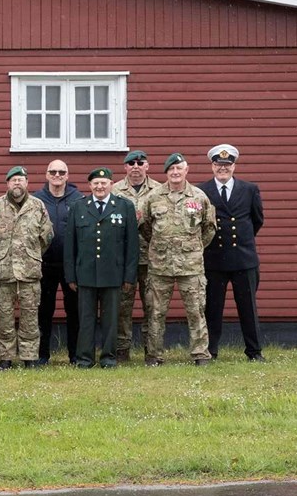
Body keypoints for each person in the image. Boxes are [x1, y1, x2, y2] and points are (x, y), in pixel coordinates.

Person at [138, 154, 217, 366]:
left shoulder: (199, 197)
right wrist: (161, 245)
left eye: (179, 168)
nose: (175, 172)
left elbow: (209, 229)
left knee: (196, 311)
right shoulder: (154, 197)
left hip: (190, 266)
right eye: (171, 169)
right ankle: (154, 355)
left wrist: (191, 248)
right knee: (155, 312)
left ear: (186, 170)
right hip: (160, 266)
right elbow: (145, 227)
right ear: (166, 172)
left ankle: (200, 354)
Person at [0, 166, 53, 370]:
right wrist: (1, 254)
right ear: (7, 184)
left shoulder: (37, 206)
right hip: (4, 272)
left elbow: (46, 237)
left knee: (30, 317)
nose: (17, 183)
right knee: (4, 317)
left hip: (29, 272)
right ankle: (5, 357)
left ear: (27, 183)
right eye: (13, 180)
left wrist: (30, 254)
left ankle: (30, 357)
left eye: (21, 180)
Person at [64, 168, 139, 368]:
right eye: (95, 183)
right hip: (85, 273)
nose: (99, 187)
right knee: (86, 320)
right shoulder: (78, 207)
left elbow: (132, 245)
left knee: (111, 320)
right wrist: (70, 275)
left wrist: (129, 277)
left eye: (103, 183)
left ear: (111, 184)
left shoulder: (124, 207)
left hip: (113, 273)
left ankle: (108, 358)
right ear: (90, 186)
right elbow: (70, 245)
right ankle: (85, 358)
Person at [198, 144, 266, 361]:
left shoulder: (249, 189)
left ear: (234, 166)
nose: (222, 168)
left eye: (227, 165)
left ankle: (254, 352)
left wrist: (242, 242)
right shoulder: (201, 191)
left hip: (243, 259)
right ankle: (211, 351)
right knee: (212, 309)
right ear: (212, 166)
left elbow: (257, 220)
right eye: (218, 164)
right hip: (214, 260)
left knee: (248, 308)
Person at [111, 150, 161, 362]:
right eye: (131, 163)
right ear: (125, 167)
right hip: (124, 261)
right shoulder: (114, 190)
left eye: (140, 163)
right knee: (123, 307)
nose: (136, 166)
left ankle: (152, 351)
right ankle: (122, 349)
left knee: (152, 306)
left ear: (147, 166)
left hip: (152, 259)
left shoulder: (160, 190)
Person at [33, 159, 82, 365]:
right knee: (43, 311)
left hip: (71, 265)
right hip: (44, 264)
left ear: (67, 175)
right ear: (46, 175)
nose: (57, 175)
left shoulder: (78, 199)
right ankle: (42, 355)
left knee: (74, 311)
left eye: (62, 172)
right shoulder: (36, 200)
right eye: (53, 171)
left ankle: (75, 355)